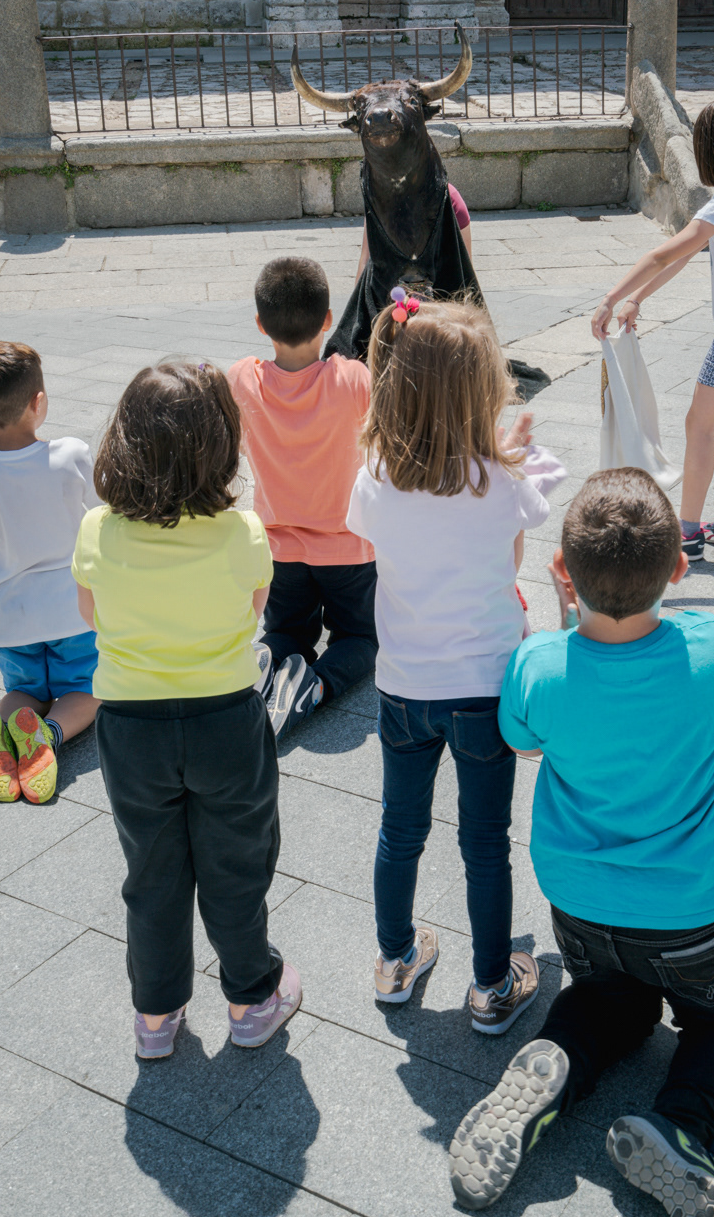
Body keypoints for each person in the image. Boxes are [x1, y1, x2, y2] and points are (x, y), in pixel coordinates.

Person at [448, 468, 714, 1217]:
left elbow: (525, 741)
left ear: (563, 571)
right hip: (697, 913)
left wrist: (567, 627)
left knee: (608, 1002)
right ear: (679, 566)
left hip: (583, 907)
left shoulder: (538, 664)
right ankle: (683, 1129)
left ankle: (556, 1059)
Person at [347, 294, 566, 1033]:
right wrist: (512, 456)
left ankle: (394, 961)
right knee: (485, 845)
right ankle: (491, 985)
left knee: (400, 829)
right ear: (483, 395)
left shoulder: (376, 474)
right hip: (485, 691)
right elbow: (510, 554)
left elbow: (378, 540)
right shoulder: (501, 482)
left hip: (404, 686)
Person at [72, 361, 300, 1060]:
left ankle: (156, 1016)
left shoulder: (96, 529)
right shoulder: (243, 532)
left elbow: (91, 616)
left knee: (152, 874)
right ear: (220, 445)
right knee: (236, 866)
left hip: (130, 728)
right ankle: (252, 1000)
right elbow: (252, 614)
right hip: (224, 720)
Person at [590, 95, 714, 561]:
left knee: (698, 426)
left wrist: (610, 299)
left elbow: (662, 254)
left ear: (713, 151)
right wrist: (638, 298)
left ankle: (687, 533)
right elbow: (683, 256)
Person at [227, 257, 377, 741]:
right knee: (361, 637)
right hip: (348, 548)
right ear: (328, 319)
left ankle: (267, 663)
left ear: (260, 324)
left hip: (278, 549)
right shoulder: (353, 378)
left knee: (286, 632)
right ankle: (315, 686)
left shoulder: (242, 378)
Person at [0, 341, 100, 804]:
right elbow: (102, 510)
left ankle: (0, 725)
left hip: (10, 618)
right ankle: (48, 734)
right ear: (39, 400)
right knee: (90, 692)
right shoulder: (71, 455)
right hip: (74, 612)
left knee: (25, 691)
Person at [353, 182, 473, 284]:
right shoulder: (379, 200)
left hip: (440, 290)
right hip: (391, 291)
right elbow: (366, 260)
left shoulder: (450, 199)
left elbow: (465, 269)